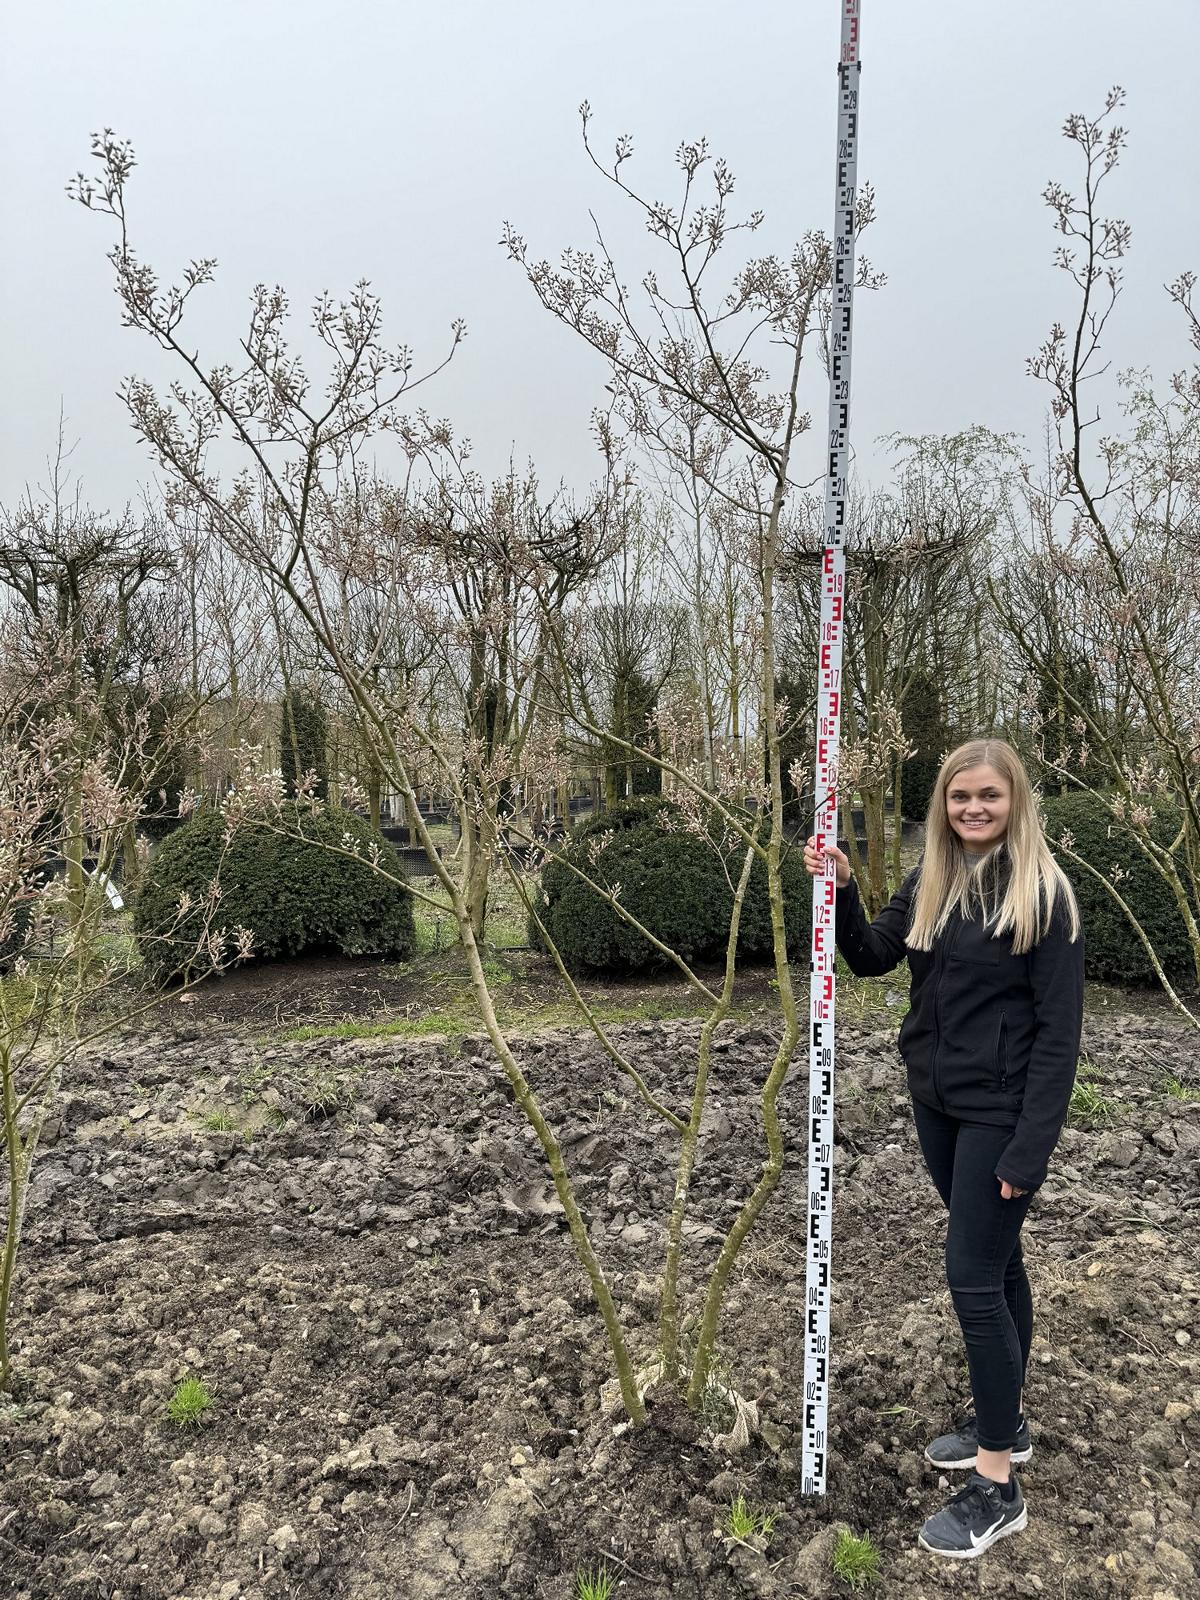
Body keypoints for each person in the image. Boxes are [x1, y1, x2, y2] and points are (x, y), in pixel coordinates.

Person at [803, 737, 1084, 1560]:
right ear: (943, 806)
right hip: (937, 1106)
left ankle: (998, 1484)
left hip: (1001, 1119)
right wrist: (846, 892)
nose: (973, 809)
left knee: (971, 1280)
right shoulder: (934, 878)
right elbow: (870, 959)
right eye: (960, 797)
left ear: (1015, 802)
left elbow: (1059, 1044)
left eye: (988, 797)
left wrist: (1026, 1158)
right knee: (999, 1268)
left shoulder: (1046, 896)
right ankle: (1012, 1421)